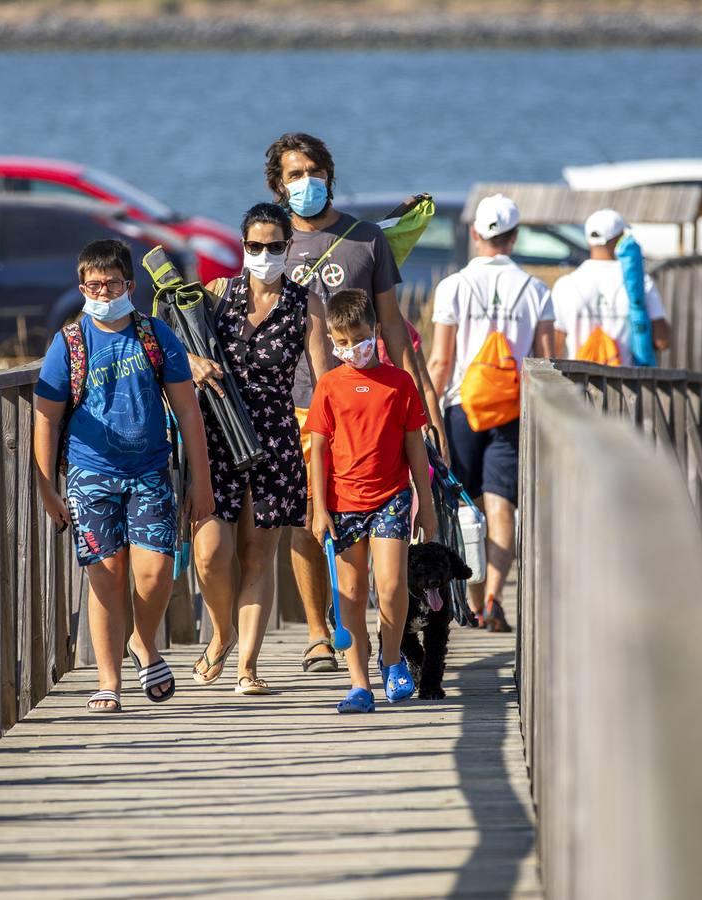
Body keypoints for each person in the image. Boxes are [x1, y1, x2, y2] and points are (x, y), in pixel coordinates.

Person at [263, 131, 444, 675]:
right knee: (308, 516)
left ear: (330, 176)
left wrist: (425, 401)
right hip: (294, 399)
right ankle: (320, 633)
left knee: (379, 506)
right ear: (277, 185)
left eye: (314, 171)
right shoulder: (271, 243)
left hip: (373, 401)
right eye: (294, 175)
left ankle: (381, 645)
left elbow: (393, 326)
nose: (306, 182)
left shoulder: (367, 239)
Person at [33, 239, 213, 713]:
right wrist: (47, 486)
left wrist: (201, 479)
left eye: (111, 283)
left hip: (150, 469)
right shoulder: (69, 343)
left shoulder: (155, 336)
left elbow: (188, 412)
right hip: (90, 474)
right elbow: (47, 416)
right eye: (93, 284)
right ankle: (108, 679)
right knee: (105, 574)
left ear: (130, 285)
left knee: (154, 574)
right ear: (81, 287)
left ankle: (143, 641)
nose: (102, 291)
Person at [184, 203, 330, 695]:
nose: (263, 255)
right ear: (241, 247)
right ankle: (221, 633)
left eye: (273, 246)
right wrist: (192, 361)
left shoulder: (306, 304)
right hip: (219, 434)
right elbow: (162, 342)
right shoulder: (218, 293)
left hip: (276, 437)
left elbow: (325, 382)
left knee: (257, 554)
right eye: (253, 246)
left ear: (289, 247)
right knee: (210, 551)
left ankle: (246, 666)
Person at [426, 194, 555, 632]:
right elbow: (546, 361)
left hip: (462, 407)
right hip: (512, 410)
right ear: (515, 237)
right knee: (502, 507)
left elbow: (441, 361)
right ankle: (494, 598)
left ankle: (472, 597)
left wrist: (428, 410)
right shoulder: (536, 289)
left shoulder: (454, 286)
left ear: (475, 234)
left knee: (467, 505)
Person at [306, 289, 438, 713]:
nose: (349, 349)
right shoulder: (328, 386)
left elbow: (415, 446)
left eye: (357, 338)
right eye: (340, 341)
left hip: (392, 498)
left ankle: (393, 658)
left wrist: (427, 501)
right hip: (342, 501)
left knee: (394, 583)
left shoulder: (400, 383)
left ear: (375, 331)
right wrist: (319, 508)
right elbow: (319, 450)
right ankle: (359, 684)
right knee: (351, 592)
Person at [552, 208, 673, 364]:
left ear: (588, 240)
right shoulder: (641, 281)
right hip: (627, 385)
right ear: (621, 238)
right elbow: (662, 341)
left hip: (579, 383)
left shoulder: (565, 284)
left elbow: (555, 347)